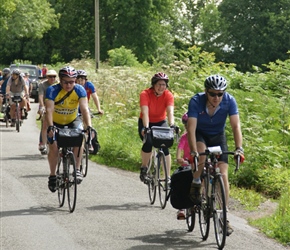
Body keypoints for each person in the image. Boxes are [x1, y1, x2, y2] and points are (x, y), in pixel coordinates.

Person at [187, 74, 244, 236]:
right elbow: (191, 128)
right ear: (206, 92)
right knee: (202, 156)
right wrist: (193, 152)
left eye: (220, 94)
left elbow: (235, 126)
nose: (217, 97)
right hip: (200, 134)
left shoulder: (229, 101)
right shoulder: (196, 101)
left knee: (223, 174)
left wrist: (239, 148)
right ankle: (197, 180)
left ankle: (224, 216)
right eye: (213, 94)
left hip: (218, 136)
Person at [45, 66, 92, 192]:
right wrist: (50, 126)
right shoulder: (52, 90)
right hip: (55, 121)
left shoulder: (80, 90)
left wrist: (89, 126)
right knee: (54, 146)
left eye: (72, 82)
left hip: (72, 120)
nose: (68, 85)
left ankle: (77, 169)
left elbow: (84, 109)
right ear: (60, 80)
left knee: (79, 137)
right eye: (65, 82)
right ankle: (53, 175)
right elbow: (49, 110)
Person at [138, 72, 175, 183]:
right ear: (153, 84)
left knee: (165, 145)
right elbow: (145, 112)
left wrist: (172, 124)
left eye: (163, 85)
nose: (161, 87)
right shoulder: (145, 94)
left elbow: (170, 112)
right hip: (146, 122)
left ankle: (167, 176)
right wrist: (146, 127)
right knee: (148, 142)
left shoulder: (168, 95)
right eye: (159, 84)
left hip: (161, 122)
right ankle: (144, 168)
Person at [38, 69, 58, 154]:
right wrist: (42, 106)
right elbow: (40, 96)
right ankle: (43, 144)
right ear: (47, 77)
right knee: (45, 124)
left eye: (54, 76)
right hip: (46, 105)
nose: (52, 78)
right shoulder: (42, 85)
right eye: (50, 76)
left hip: (57, 106)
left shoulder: (58, 84)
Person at [175, 113, 190, 220]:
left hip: (198, 163)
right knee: (182, 180)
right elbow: (179, 149)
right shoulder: (184, 138)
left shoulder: (201, 137)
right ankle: (181, 208)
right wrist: (179, 158)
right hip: (187, 163)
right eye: (186, 125)